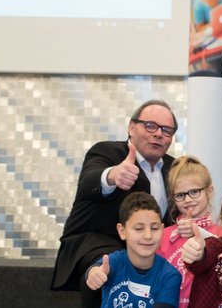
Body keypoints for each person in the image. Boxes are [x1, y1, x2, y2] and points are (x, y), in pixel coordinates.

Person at [51, 100, 178, 308]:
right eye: (150, 125)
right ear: (131, 127)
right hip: (95, 243)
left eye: (166, 130)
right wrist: (112, 175)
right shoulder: (107, 153)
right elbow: (89, 181)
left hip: (150, 250)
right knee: (109, 265)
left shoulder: (174, 168)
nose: (158, 134)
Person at [84, 192, 182, 308]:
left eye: (154, 228)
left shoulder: (170, 276)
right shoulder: (115, 261)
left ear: (162, 229)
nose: (148, 235)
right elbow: (96, 269)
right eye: (139, 228)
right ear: (122, 231)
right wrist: (93, 273)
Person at [156, 156, 222, 308]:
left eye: (194, 192)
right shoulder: (164, 235)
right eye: (180, 195)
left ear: (209, 191)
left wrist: (198, 231)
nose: (187, 200)